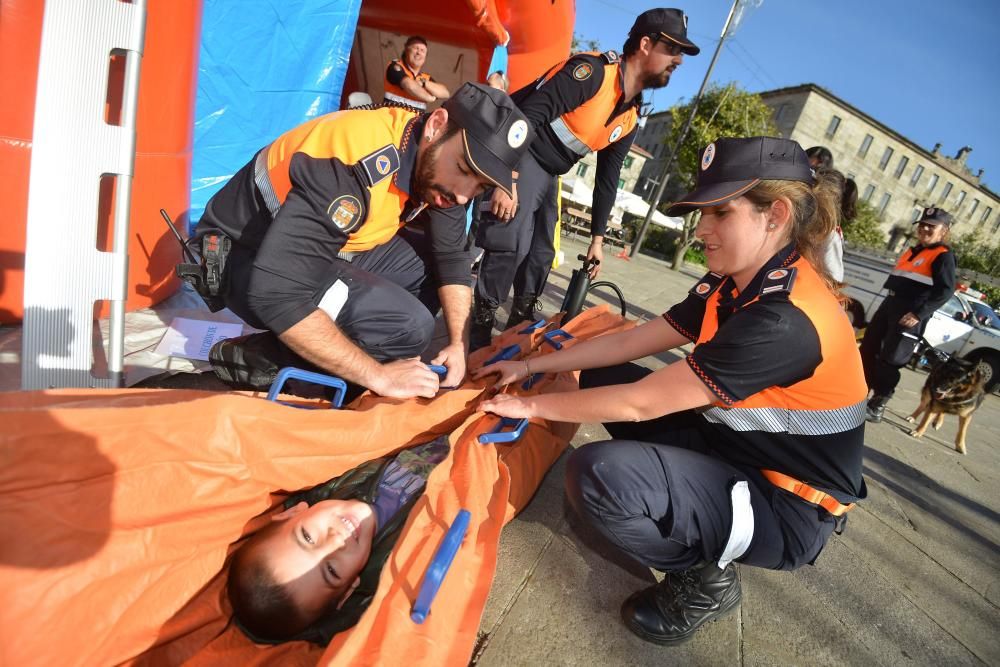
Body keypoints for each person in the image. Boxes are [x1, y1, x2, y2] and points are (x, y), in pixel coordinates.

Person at [473, 137, 868, 645]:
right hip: (742, 451)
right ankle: (691, 502)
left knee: (600, 476)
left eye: (720, 212)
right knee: (599, 377)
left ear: (775, 215)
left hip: (787, 506)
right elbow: (635, 341)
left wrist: (527, 404)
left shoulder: (783, 318)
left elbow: (644, 402)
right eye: (702, 212)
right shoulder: (738, 283)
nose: (700, 229)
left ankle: (705, 579)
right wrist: (531, 363)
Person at [190, 83, 532, 398]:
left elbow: (452, 257)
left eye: (481, 187)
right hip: (243, 257)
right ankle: (279, 369)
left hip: (322, 246)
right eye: (464, 169)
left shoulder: (437, 165)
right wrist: (378, 376)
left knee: (431, 272)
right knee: (408, 326)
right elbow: (276, 293)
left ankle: (294, 352)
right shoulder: (357, 161)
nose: (463, 196)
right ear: (436, 125)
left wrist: (459, 342)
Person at [469, 8, 700, 349]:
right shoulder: (592, 72)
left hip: (550, 171)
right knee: (511, 241)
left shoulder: (630, 115)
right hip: (522, 151)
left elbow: (608, 179)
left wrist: (597, 240)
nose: (678, 60)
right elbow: (528, 117)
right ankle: (476, 330)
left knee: (541, 253)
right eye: (673, 49)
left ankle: (517, 328)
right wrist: (508, 179)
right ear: (646, 44)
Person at [227, 437, 450, 644]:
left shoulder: (331, 474)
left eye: (307, 537)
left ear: (293, 513)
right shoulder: (397, 562)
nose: (335, 540)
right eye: (331, 570)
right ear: (348, 589)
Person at [859, 207, 957, 422]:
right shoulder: (914, 250)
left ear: (944, 231)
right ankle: (859, 395)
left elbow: (946, 290)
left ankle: (878, 405)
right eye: (922, 224)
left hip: (910, 312)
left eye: (931, 226)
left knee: (891, 359)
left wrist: (918, 314)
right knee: (869, 348)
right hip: (891, 304)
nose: (924, 228)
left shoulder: (943, 256)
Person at [383, 36, 451, 109]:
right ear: (406, 50)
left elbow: (445, 93)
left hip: (415, 120)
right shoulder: (394, 66)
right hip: (392, 118)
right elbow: (409, 86)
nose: (419, 52)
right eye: (416, 48)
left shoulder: (425, 78)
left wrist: (423, 83)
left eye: (422, 50)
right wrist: (429, 98)